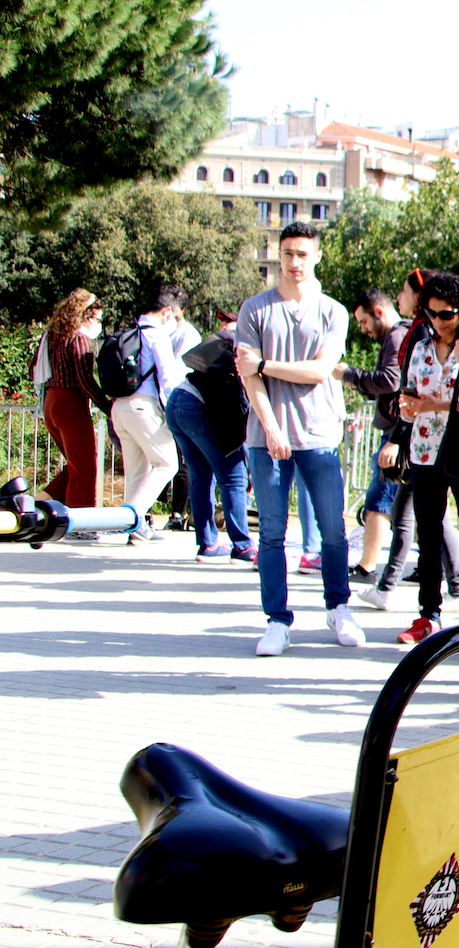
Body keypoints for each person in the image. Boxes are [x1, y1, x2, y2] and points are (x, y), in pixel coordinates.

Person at [237, 221, 358, 657]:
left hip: (319, 432)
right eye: (287, 253)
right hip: (266, 436)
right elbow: (247, 380)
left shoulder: (333, 311)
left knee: (332, 530)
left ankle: (338, 607)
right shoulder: (254, 309)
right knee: (271, 532)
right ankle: (277, 619)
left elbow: (318, 371)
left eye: (302, 254)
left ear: (316, 256)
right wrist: (270, 429)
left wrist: (265, 363)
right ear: (278, 254)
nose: (294, 262)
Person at [395, 273, 459, 645]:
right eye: (429, 314)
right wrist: (408, 408)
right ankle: (427, 614)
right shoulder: (419, 346)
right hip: (423, 449)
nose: (436, 321)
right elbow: (409, 393)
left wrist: (436, 405)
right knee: (427, 533)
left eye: (444, 314)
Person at [105, 286, 196, 543]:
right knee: (168, 463)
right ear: (166, 311)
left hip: (120, 408)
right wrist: (175, 409)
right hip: (143, 407)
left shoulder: (131, 332)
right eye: (174, 315)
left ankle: (134, 530)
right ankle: (131, 515)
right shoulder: (157, 335)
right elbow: (168, 378)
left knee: (137, 471)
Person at [331, 291, 408, 582]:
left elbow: (390, 380)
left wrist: (349, 375)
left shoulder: (395, 337)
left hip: (395, 433)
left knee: (378, 500)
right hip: (396, 431)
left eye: (364, 321)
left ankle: (367, 566)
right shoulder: (397, 336)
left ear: (378, 311)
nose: (363, 329)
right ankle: (441, 572)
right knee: (408, 510)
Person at [166, 312, 254, 562]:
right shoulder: (249, 358)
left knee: (201, 476)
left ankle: (207, 544)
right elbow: (237, 424)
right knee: (233, 479)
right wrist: (246, 465)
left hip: (178, 399)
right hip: (198, 407)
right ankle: (243, 546)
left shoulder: (225, 353)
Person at [39, 289, 110, 530]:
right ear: (87, 315)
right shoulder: (79, 339)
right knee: (85, 466)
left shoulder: (54, 336)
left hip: (52, 401)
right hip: (71, 403)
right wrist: (107, 406)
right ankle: (80, 524)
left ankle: (40, 500)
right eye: (97, 318)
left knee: (75, 464)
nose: (98, 324)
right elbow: (85, 380)